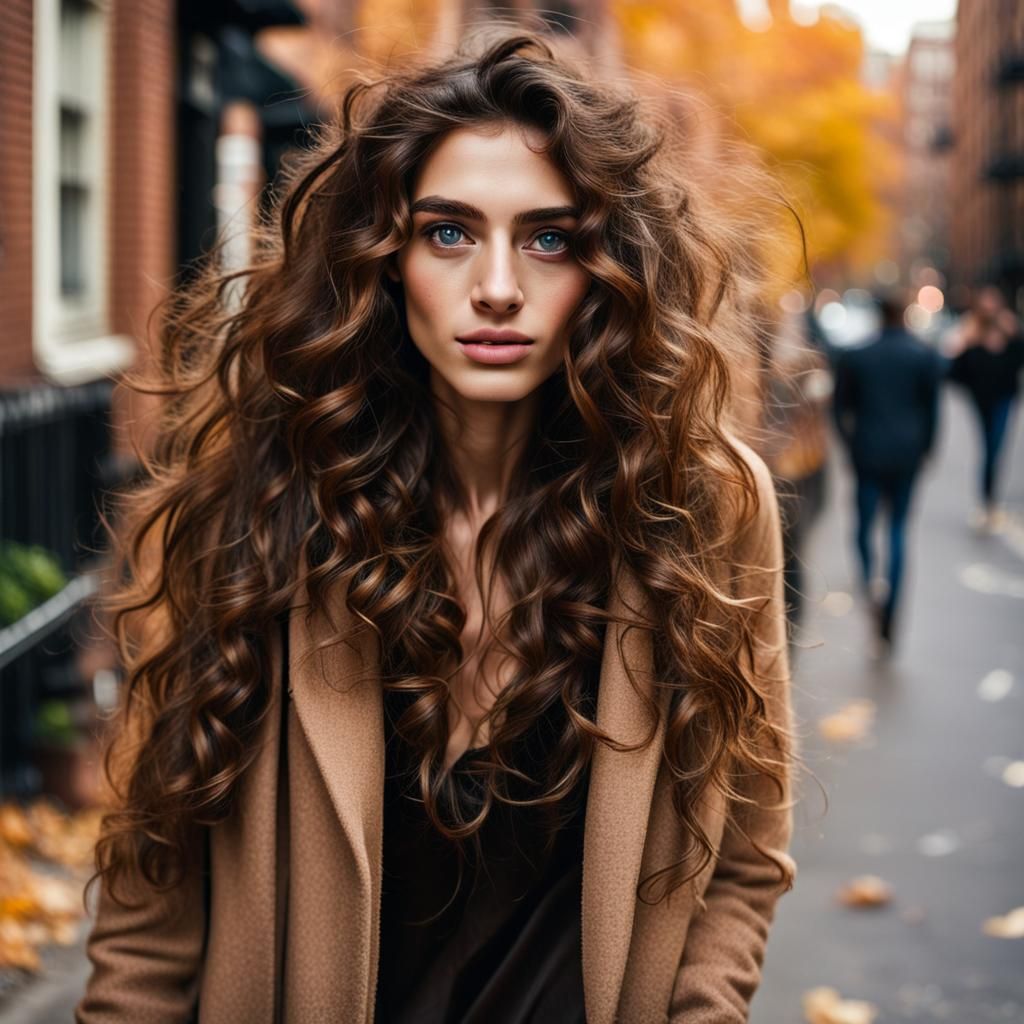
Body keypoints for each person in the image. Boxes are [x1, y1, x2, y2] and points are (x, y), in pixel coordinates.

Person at [76, 29, 796, 1024]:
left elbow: (745, 853)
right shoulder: (264, 496)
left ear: (608, 269)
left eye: (548, 238)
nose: (496, 286)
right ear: (382, 257)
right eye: (448, 233)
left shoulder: (701, 505)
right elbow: (154, 883)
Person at [832, 289, 944, 654]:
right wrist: (927, 448)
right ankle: (891, 605)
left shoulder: (857, 356)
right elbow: (932, 411)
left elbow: (838, 409)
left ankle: (870, 589)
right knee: (897, 529)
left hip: (867, 452)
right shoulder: (924, 356)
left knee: (863, 529)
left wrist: (849, 446)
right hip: (906, 455)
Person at [946, 284, 1024, 532]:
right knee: (989, 446)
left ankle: (988, 500)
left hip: (1004, 398)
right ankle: (987, 501)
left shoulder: (1010, 331)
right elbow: (955, 370)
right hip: (981, 399)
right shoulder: (971, 333)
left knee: (995, 447)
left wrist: (1013, 335)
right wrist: (965, 343)